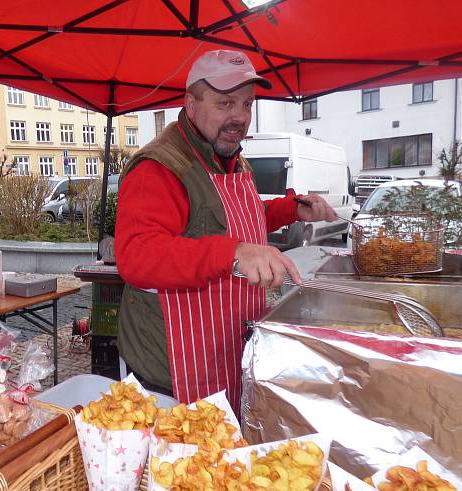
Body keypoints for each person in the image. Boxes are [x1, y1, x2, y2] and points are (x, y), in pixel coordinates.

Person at [114, 50, 337, 412]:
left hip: (227, 345)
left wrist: (290, 209)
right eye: (225, 103)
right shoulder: (159, 167)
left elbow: (238, 218)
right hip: (173, 364)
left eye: (247, 105)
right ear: (190, 104)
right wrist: (233, 253)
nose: (239, 117)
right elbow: (137, 255)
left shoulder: (230, 156)